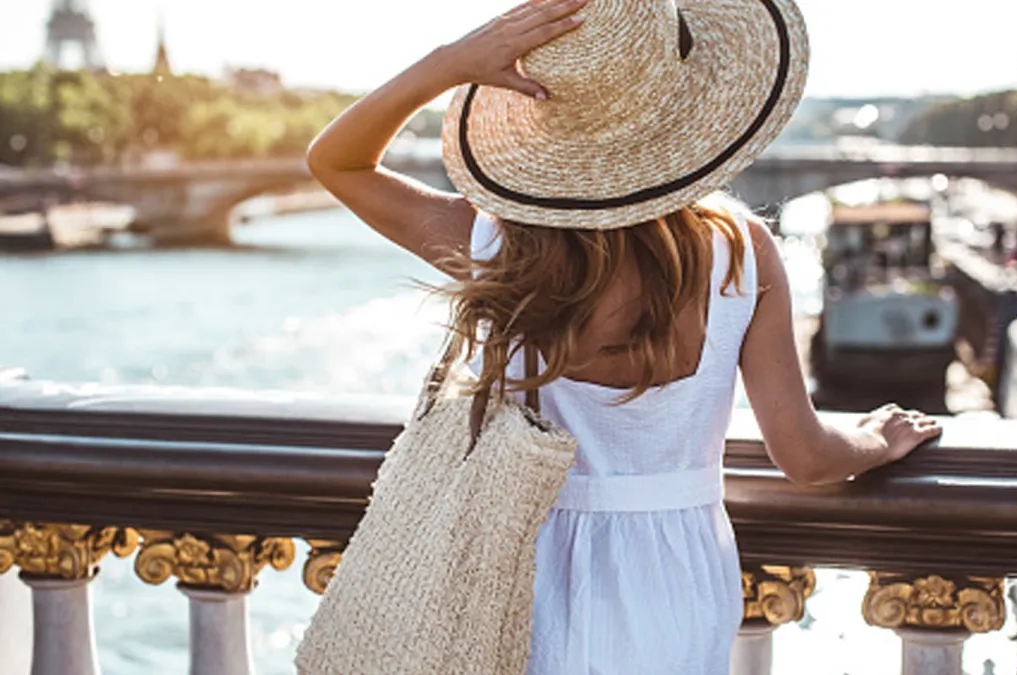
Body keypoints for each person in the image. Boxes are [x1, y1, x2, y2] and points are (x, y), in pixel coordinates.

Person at [306, 0, 942, 672]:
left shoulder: (502, 247)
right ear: (685, 110)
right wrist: (877, 439)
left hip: (521, 569)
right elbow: (805, 457)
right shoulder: (744, 254)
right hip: (680, 580)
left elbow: (336, 162)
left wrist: (452, 63)